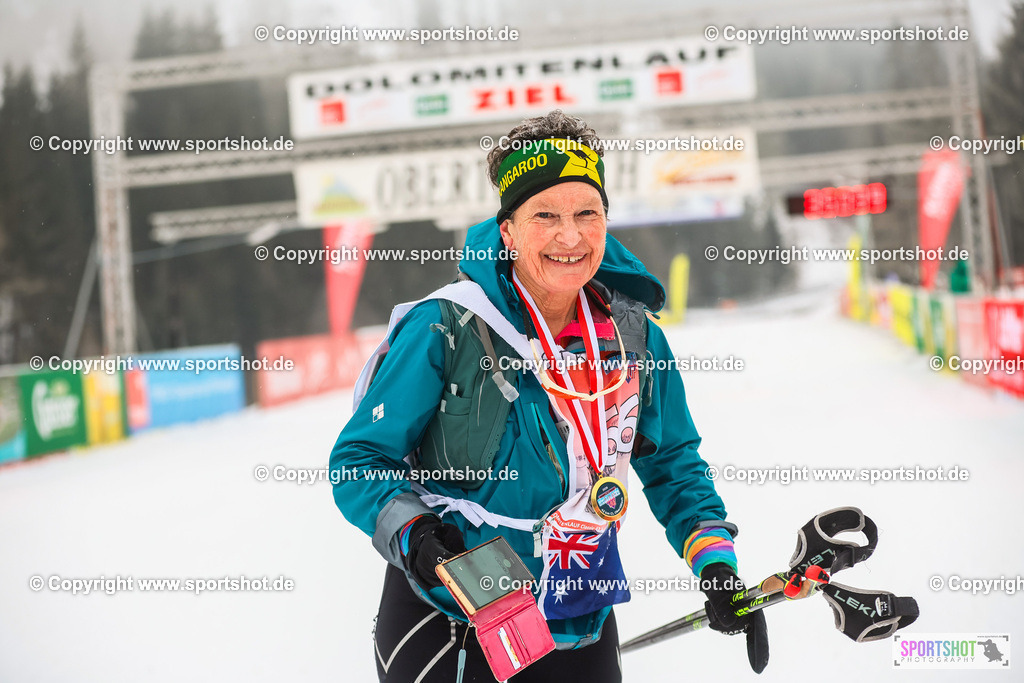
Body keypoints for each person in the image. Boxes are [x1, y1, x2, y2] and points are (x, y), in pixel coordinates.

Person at [329, 110, 768, 682]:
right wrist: (416, 538)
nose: (570, 236)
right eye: (545, 216)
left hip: (580, 608)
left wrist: (717, 567)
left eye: (588, 213)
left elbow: (672, 462)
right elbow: (359, 461)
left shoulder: (633, 334)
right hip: (455, 616)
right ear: (508, 230)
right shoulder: (448, 325)